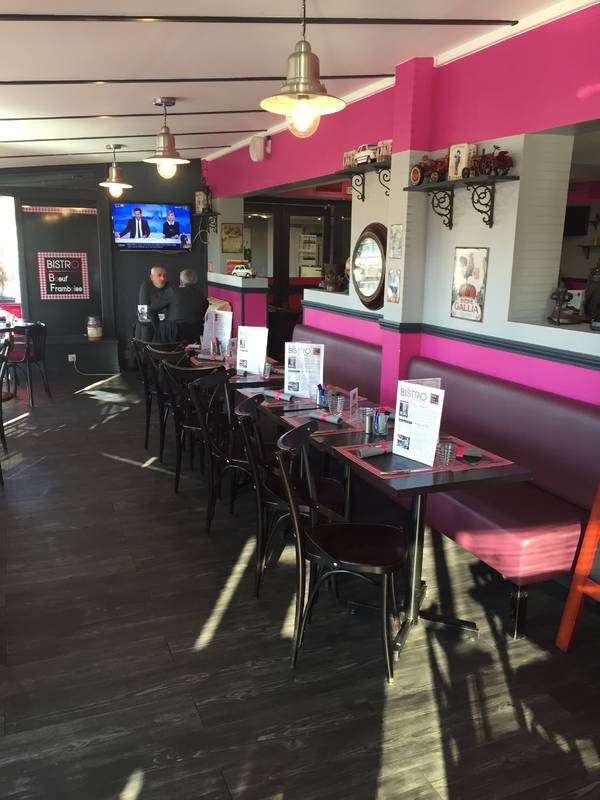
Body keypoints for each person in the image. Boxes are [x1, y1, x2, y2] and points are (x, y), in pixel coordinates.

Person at [165, 269, 209, 343]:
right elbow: (205, 307)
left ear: (181, 281)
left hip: (175, 335)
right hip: (195, 335)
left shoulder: (173, 291)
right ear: (195, 281)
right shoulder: (200, 294)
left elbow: (154, 308)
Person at [137, 265, 173, 342]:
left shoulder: (169, 287)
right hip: (148, 324)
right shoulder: (146, 286)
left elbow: (169, 311)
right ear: (152, 277)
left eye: (164, 276)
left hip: (164, 325)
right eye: (159, 275)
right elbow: (142, 313)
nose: (163, 278)